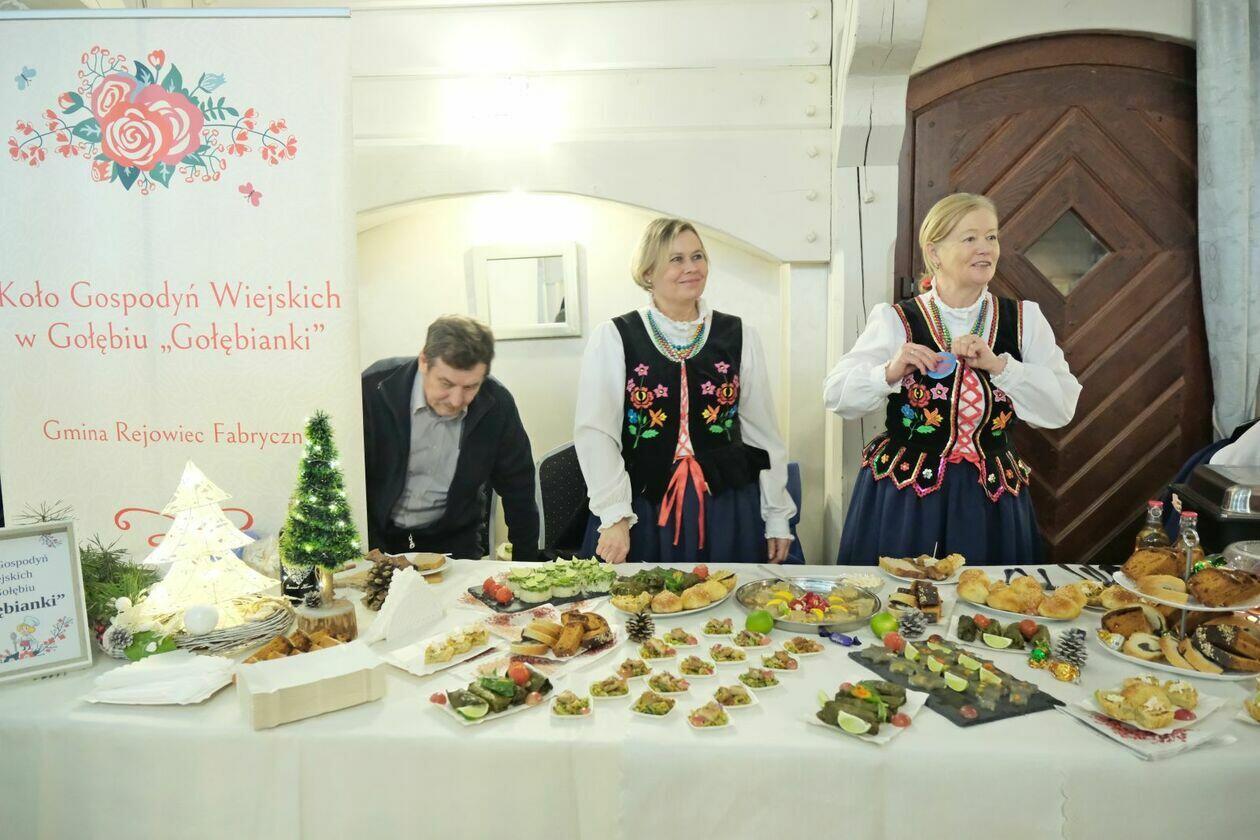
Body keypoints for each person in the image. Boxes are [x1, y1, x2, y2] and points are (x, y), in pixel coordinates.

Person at [823, 193, 1081, 565]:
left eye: (991, 237)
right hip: (907, 495)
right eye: (970, 238)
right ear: (935, 251)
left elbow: (1061, 407)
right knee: (902, 594)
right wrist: (889, 372)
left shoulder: (1024, 320)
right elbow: (836, 395)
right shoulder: (897, 319)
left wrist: (1001, 367)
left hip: (989, 498)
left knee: (985, 595)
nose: (985, 248)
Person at [574, 218, 797, 564]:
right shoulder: (616, 336)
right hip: (644, 508)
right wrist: (615, 515)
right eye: (676, 259)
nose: (691, 268)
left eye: (697, 256)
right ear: (648, 272)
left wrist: (777, 514)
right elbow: (596, 433)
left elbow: (763, 434)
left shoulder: (739, 335)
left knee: (726, 595)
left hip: (725, 507)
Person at [362, 315, 539, 560]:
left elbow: (519, 489)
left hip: (455, 544)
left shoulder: (496, 404)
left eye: (470, 387)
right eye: (446, 383)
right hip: (377, 541)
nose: (456, 401)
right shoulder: (373, 389)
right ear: (424, 361)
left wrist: (525, 564)